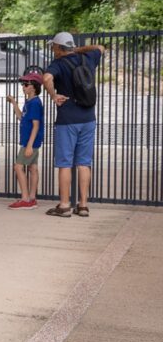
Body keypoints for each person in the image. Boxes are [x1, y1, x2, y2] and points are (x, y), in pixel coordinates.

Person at [42, 32, 104, 218]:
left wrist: (53, 95)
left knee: (65, 164)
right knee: (84, 163)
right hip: (88, 119)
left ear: (59, 48)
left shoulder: (58, 64)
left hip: (67, 120)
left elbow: (46, 79)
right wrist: (77, 49)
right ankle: (83, 206)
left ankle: (64, 205)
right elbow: (100, 48)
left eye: (54, 47)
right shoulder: (88, 57)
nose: (52, 50)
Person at [5, 72, 44, 209]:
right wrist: (14, 103)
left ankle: (25, 199)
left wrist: (29, 146)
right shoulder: (30, 102)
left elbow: (36, 125)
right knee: (32, 168)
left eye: (26, 84)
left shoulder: (34, 103)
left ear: (34, 87)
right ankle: (32, 199)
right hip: (31, 142)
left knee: (18, 166)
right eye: (23, 84)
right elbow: (21, 117)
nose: (23, 87)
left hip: (30, 142)